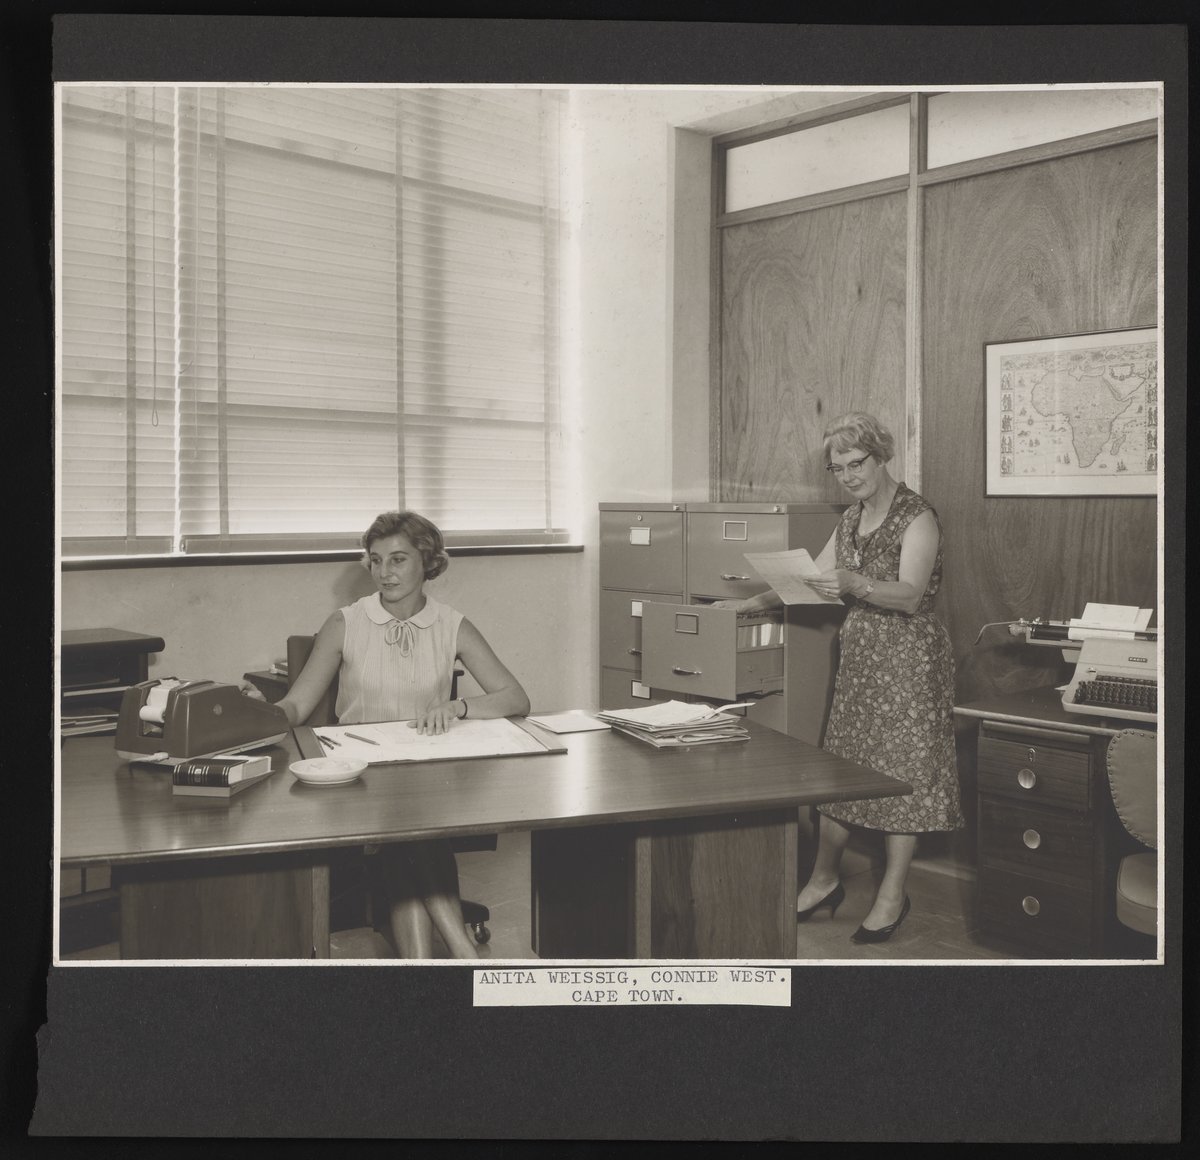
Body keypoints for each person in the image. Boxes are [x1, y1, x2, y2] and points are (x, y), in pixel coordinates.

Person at [718, 412, 963, 944]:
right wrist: (750, 604)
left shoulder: (918, 516)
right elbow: (808, 581)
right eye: (839, 468)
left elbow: (911, 595)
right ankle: (824, 879)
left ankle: (892, 894)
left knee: (902, 772)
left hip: (910, 658)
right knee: (843, 767)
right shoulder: (851, 518)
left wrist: (856, 583)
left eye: (857, 464)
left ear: (881, 456)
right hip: (862, 657)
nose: (849, 476)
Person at [265, 510, 531, 959]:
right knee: (413, 832)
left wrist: (459, 706)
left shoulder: (451, 625)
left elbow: (515, 697)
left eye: (398, 559)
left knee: (410, 831)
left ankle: (423, 966)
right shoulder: (346, 623)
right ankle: (463, 953)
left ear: (427, 562)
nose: (383, 572)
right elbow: (296, 705)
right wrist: (252, 719)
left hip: (422, 772)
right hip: (359, 776)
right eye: (375, 560)